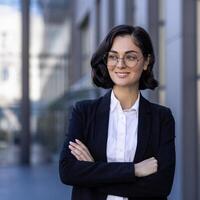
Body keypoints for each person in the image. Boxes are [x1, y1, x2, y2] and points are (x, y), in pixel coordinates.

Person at [59, 25, 176, 200]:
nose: (120, 65)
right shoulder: (84, 112)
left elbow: (161, 186)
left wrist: (93, 172)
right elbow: (68, 171)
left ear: (146, 62)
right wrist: (134, 170)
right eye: (113, 56)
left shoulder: (162, 118)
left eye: (130, 57)